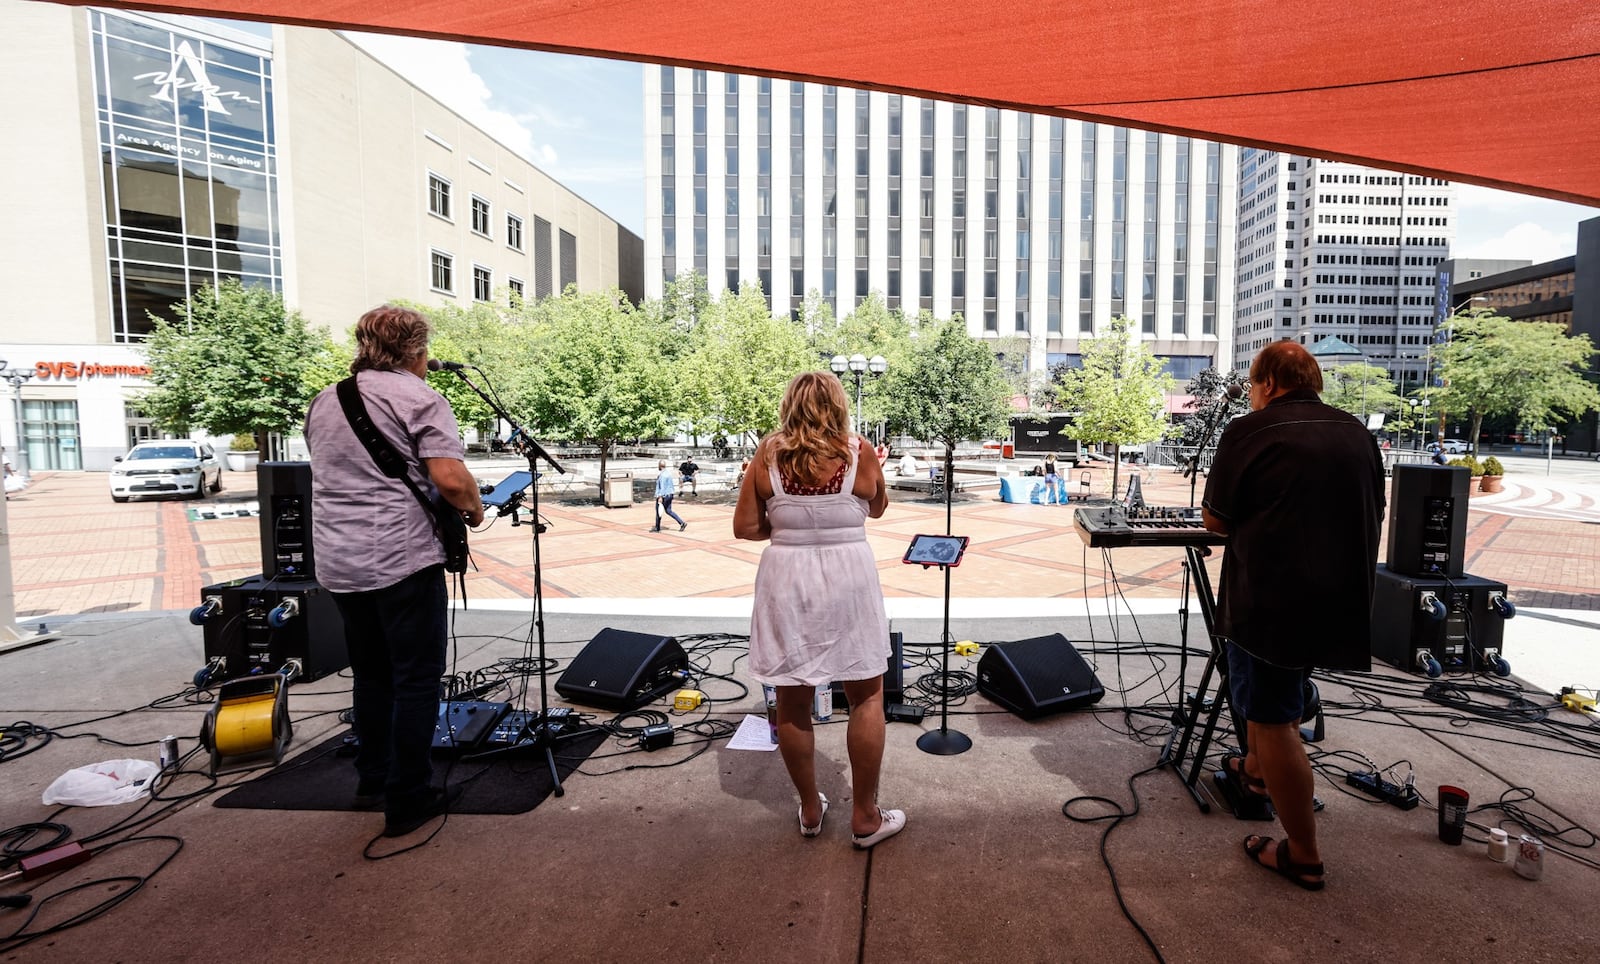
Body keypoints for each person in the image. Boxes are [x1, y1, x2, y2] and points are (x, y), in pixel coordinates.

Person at [1201, 341, 1384, 891]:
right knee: (1275, 699)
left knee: (1273, 719)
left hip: (1271, 602)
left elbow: (1215, 520)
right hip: (1341, 599)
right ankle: (1254, 774)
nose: (1253, 395)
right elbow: (1371, 508)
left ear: (1270, 383)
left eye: (1254, 385)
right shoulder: (1356, 432)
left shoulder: (1250, 430)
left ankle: (1302, 853)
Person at [304, 305, 485, 838]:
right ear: (416, 349)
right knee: (415, 678)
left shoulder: (325, 401)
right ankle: (409, 798)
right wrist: (473, 509)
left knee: (372, 672)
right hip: (400, 556)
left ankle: (373, 776)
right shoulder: (417, 396)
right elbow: (450, 479)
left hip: (339, 560)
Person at [734, 371, 903, 849]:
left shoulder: (768, 453)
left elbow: (745, 526)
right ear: (838, 405)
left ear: (789, 404)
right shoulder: (858, 451)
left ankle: (810, 809)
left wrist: (789, 533)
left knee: (792, 700)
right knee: (866, 695)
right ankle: (866, 816)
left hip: (786, 579)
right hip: (848, 577)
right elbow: (878, 508)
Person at [653, 459, 686, 531]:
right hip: (670, 494)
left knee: (658, 510)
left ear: (660, 466)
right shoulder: (668, 473)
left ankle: (657, 527)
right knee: (668, 511)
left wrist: (660, 497)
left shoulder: (662, 476)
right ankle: (681, 523)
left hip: (664, 495)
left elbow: (662, 487)